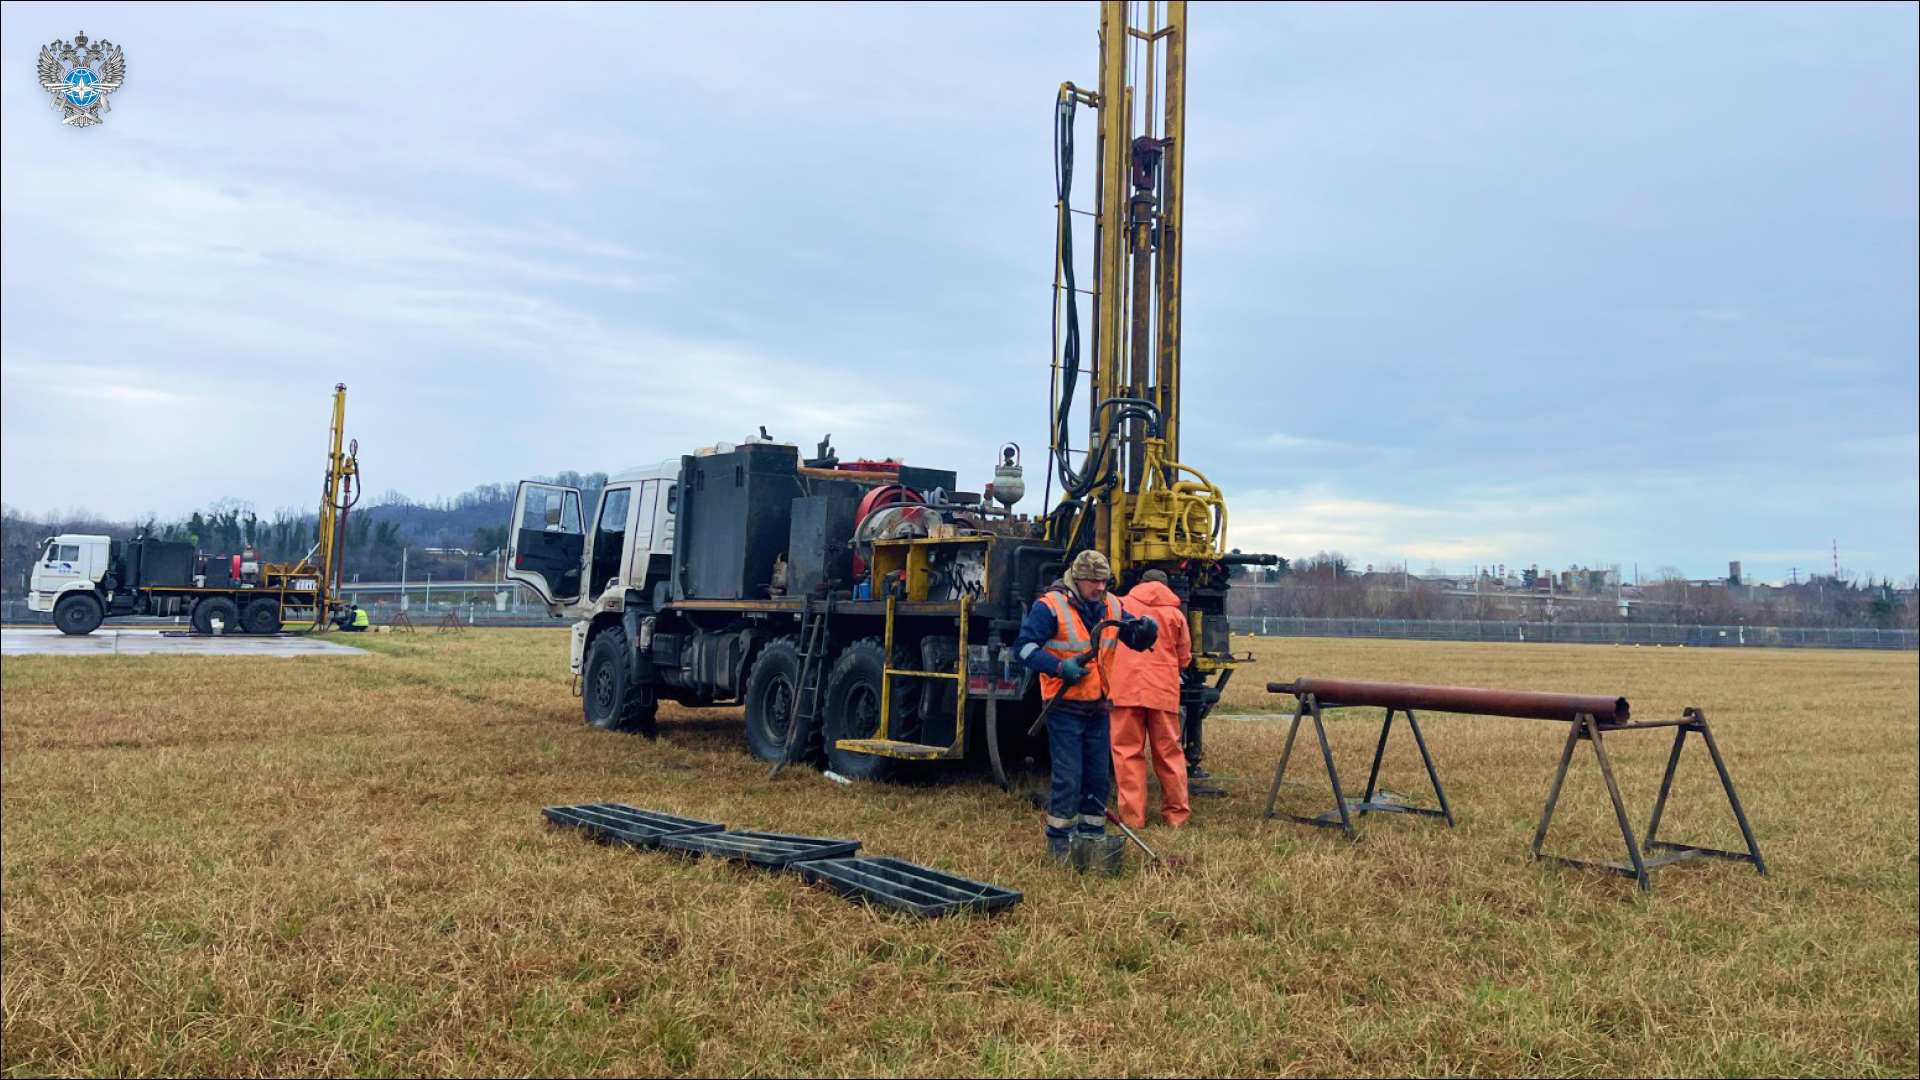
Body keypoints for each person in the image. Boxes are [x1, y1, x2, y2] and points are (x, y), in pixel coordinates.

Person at [1014, 549, 1159, 863]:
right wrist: (1058, 668)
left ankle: (1092, 838)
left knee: (1097, 777)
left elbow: (1131, 634)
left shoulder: (1111, 604)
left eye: (1104, 581)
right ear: (1076, 579)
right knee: (1068, 776)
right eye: (1093, 581)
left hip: (1098, 707)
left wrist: (1144, 632)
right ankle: (1061, 843)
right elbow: (1023, 649)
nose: (1099, 588)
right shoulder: (1050, 606)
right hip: (1064, 706)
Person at [1108, 569, 1192, 829]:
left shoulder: (1120, 606)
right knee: (1169, 753)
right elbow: (1185, 658)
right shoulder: (1175, 614)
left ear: (1139, 583)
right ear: (1166, 586)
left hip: (1124, 690)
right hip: (1162, 692)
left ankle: (1133, 819)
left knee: (1127, 753)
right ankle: (1176, 816)